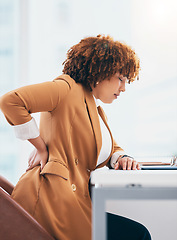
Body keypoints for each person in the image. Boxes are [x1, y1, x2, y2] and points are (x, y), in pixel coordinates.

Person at [0, 35, 151, 240]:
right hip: (52, 200)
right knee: (137, 234)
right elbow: (11, 101)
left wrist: (121, 157)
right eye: (121, 78)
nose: (123, 88)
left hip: (76, 199)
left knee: (137, 233)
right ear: (101, 70)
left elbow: (109, 147)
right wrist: (41, 146)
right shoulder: (66, 88)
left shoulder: (94, 108)